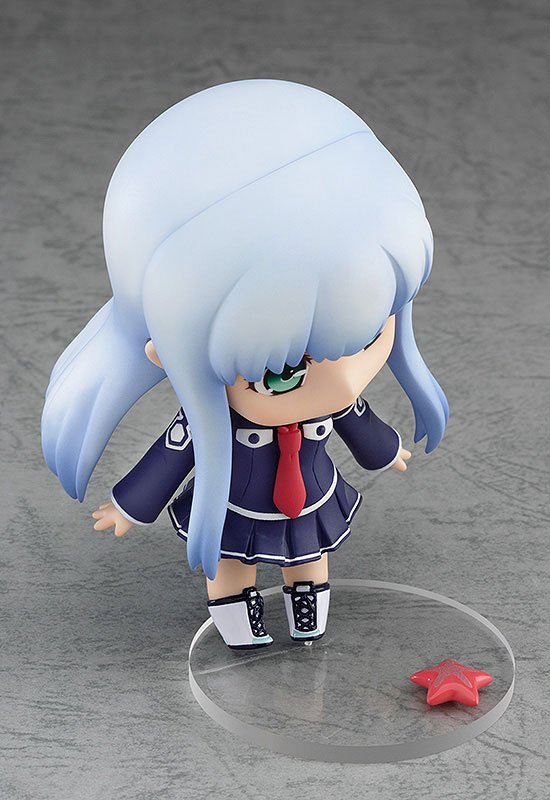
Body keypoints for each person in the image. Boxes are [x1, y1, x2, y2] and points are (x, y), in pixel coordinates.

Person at [42, 79, 448, 649]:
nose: (343, 382)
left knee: (308, 559)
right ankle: (237, 620)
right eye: (283, 373)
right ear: (170, 355)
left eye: (369, 335)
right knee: (232, 564)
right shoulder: (214, 422)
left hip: (310, 499)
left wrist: (386, 449)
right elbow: (171, 455)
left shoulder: (336, 399)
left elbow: (359, 421)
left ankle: (308, 611)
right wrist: (131, 506)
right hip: (238, 506)